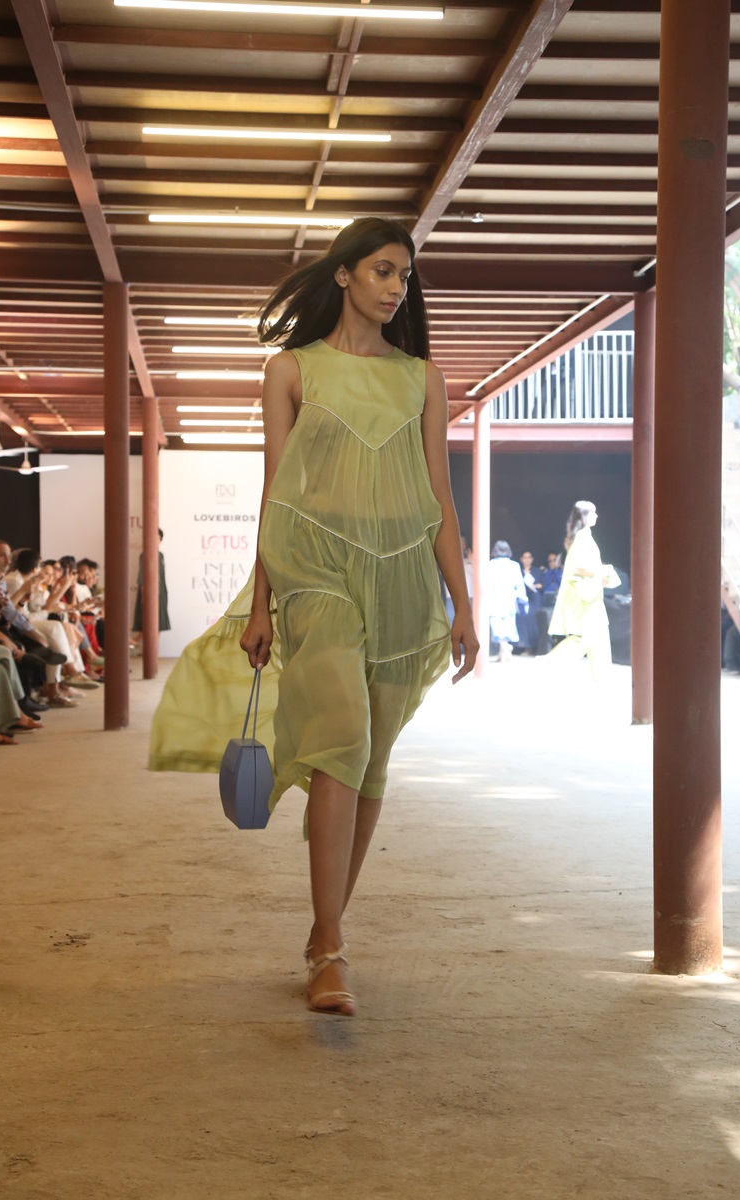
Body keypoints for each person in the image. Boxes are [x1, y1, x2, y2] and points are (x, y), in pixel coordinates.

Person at [149, 217, 478, 1016]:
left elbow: (439, 496)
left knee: (369, 765)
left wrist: (462, 603)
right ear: (343, 276)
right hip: (315, 571)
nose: (397, 286)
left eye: (405, 274)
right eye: (383, 270)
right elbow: (279, 492)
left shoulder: (421, 378)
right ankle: (330, 951)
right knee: (340, 740)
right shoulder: (291, 369)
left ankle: (322, 930)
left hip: (403, 577)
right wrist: (260, 603)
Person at [547, 501, 620, 680]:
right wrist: (602, 573)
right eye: (593, 512)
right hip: (587, 597)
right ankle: (547, 665)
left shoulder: (583, 536)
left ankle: (601, 680)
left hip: (592, 595)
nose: (596, 516)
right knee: (587, 638)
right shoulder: (582, 538)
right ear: (584, 516)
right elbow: (578, 568)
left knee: (597, 639)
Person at [486, 540, 527, 662]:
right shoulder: (514, 565)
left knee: (497, 627)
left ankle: (503, 648)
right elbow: (519, 584)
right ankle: (503, 652)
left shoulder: (490, 565)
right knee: (508, 626)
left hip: (494, 600)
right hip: (509, 600)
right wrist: (523, 598)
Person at [131, 529, 170, 650]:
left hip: (161, 593)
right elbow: (142, 576)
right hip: (148, 593)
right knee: (147, 623)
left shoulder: (161, 555)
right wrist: (144, 594)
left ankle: (150, 650)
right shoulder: (144, 555)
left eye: (157, 538)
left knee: (159, 623)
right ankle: (139, 646)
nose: (155, 541)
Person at [516, 549, 545, 654]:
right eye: (525, 557)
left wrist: (534, 585)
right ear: (521, 559)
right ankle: (521, 645)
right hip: (521, 599)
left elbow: (542, 584)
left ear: (532, 559)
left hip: (534, 598)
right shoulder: (517, 571)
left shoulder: (537, 571)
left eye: (529, 557)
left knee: (533, 618)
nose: (527, 560)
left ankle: (532, 646)